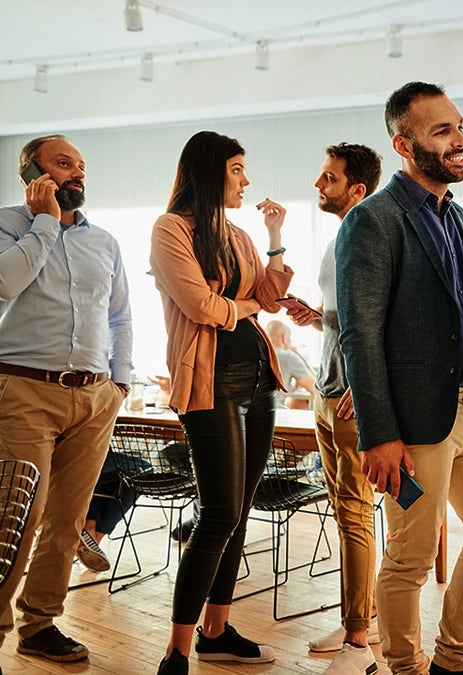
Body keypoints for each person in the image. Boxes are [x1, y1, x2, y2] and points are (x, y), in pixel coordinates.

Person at [337, 82, 463, 675]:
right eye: (441, 131)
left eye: (458, 126)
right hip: (414, 425)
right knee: (408, 560)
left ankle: (453, 658)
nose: (459, 140)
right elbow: (358, 333)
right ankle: (406, 669)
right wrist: (379, 432)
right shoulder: (372, 221)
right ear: (403, 144)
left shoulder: (459, 217)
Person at [149, 130, 294, 675]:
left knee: (238, 513)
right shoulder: (171, 230)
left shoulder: (236, 234)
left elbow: (272, 297)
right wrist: (249, 304)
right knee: (219, 515)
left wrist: (275, 235)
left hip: (258, 380)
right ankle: (177, 651)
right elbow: (201, 305)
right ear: (211, 172)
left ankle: (215, 631)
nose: (245, 180)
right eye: (237, 169)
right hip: (210, 384)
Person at [0, 134, 132, 663]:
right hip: (24, 390)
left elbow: (120, 315)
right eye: (63, 163)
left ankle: (39, 625)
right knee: (13, 519)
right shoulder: (9, 225)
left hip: (94, 398)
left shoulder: (104, 241)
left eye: (81, 165)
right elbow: (6, 283)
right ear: (32, 172)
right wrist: (45, 222)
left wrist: (118, 383)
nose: (77, 172)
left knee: (68, 520)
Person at [285, 142, 385, 674]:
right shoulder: (338, 241)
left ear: (357, 190)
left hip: (351, 399)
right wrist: (314, 315)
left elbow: (386, 322)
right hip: (325, 394)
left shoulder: (370, 239)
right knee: (344, 508)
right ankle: (355, 620)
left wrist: (367, 387)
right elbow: (344, 316)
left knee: (354, 513)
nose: (319, 185)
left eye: (329, 179)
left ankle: (359, 641)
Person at [265, 319, 317, 409]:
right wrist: (298, 356)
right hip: (276, 413)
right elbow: (315, 388)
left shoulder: (258, 353)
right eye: (290, 338)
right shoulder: (288, 356)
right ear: (284, 338)